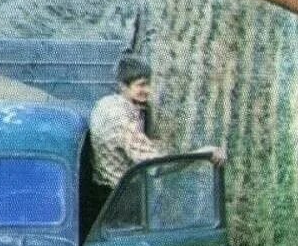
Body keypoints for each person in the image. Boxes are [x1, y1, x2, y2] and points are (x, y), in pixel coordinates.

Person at [88, 55, 226, 217]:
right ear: (123, 86)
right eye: (141, 85)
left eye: (148, 84)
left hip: (107, 192)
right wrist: (203, 153)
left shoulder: (106, 104)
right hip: (120, 202)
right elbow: (157, 166)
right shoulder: (120, 119)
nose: (147, 90)